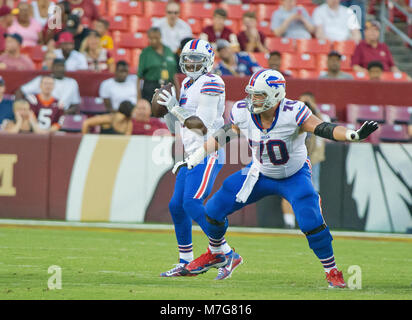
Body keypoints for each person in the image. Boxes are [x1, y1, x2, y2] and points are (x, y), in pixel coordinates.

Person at [173, 69, 379, 287]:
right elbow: (225, 134)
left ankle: (332, 270)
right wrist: (195, 157)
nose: (253, 99)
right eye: (252, 94)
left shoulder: (294, 111)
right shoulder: (243, 111)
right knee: (214, 209)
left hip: (294, 175)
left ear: (275, 94)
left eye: (259, 95)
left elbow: (323, 128)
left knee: (311, 221)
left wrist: (351, 135)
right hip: (258, 172)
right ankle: (216, 253)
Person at [154, 39, 241, 279]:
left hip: (208, 150)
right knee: (176, 206)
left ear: (209, 62)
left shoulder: (212, 82)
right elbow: (180, 125)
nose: (191, 64)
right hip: (190, 152)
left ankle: (226, 253)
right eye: (188, 59)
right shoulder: (187, 84)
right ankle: (185, 261)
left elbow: (201, 126)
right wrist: (165, 111)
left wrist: (175, 108)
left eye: (197, 60)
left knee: (192, 203)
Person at [16, 58, 81, 114]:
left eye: (62, 66)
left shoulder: (72, 83)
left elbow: (75, 104)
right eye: (57, 66)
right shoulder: (42, 79)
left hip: (63, 114)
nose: (60, 69)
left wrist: (61, 114)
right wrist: (19, 109)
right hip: (40, 113)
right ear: (52, 67)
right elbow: (20, 91)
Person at [137, 27, 178, 102]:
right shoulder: (145, 53)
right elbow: (139, 78)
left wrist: (178, 93)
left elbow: (174, 74)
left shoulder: (168, 50)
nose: (153, 41)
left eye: (156, 38)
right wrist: (139, 99)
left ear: (160, 36)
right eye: (151, 38)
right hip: (150, 88)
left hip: (166, 88)